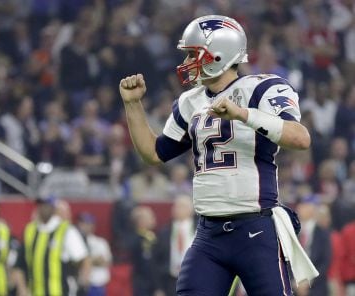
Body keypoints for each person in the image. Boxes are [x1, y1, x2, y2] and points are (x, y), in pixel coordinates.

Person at [119, 15, 318, 295]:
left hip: (256, 228)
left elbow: (300, 138)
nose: (187, 62)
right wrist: (133, 105)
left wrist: (242, 114)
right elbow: (154, 153)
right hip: (209, 234)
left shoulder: (261, 88)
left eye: (193, 54)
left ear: (218, 54)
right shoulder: (190, 101)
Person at [14, 196, 90, 296]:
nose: (43, 208)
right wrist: (22, 289)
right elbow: (20, 264)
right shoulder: (30, 231)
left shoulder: (66, 230)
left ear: (54, 208)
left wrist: (82, 285)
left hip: (61, 291)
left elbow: (84, 259)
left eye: (47, 206)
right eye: (41, 205)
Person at [153, 195, 196, 296]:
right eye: (176, 206)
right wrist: (158, 288)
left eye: (182, 206)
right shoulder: (164, 232)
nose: (177, 209)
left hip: (196, 280)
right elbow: (156, 261)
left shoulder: (201, 230)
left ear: (191, 210)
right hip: (171, 281)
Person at [76, 212, 112, 296]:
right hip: (80, 284)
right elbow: (77, 262)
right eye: (83, 223)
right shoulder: (75, 240)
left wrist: (87, 260)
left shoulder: (100, 242)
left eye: (89, 223)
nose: (86, 226)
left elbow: (106, 262)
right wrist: (92, 260)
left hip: (98, 284)